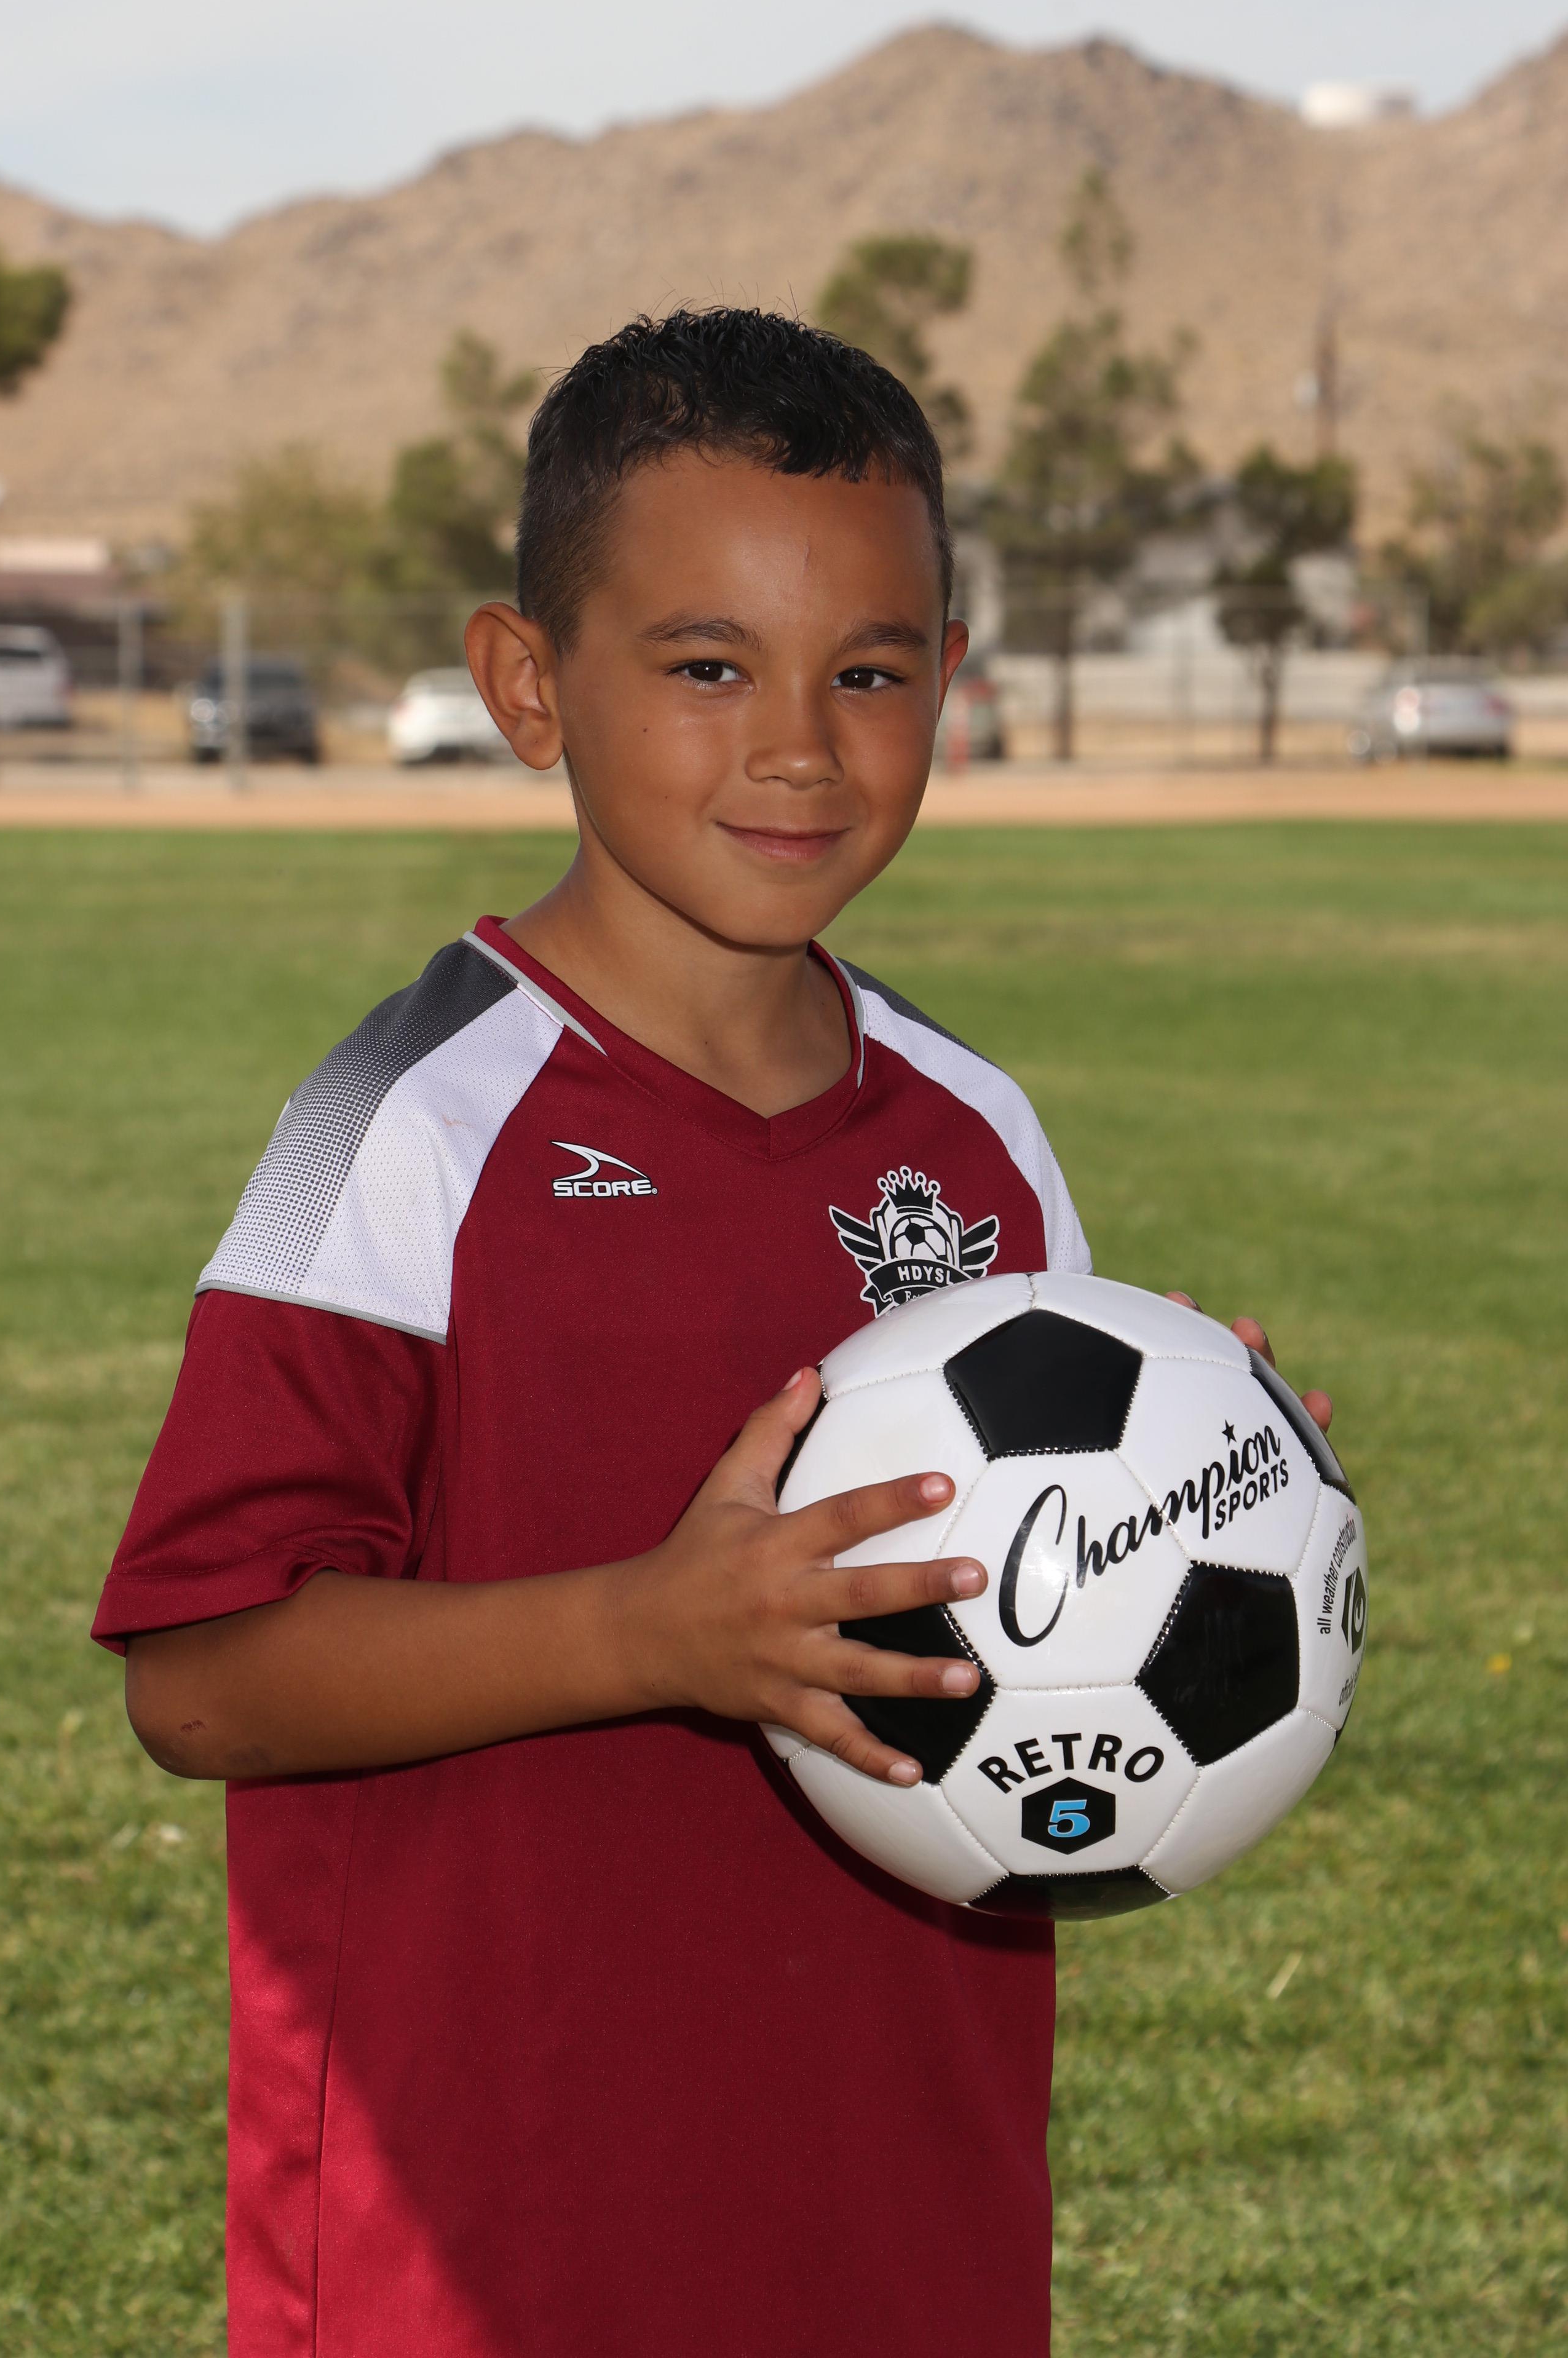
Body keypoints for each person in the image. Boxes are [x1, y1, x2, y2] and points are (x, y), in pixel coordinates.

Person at [94, 308, 1332, 2358]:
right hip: (482, 2250)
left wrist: (1196, 1497)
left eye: (871, 673)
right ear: (528, 684)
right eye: (705, 668)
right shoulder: (405, 1125)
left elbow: (1023, 1652)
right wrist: (652, 1634)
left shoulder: (979, 1134)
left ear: (951, 684)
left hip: (901, 2242)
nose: (799, 747)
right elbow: (202, 1680)